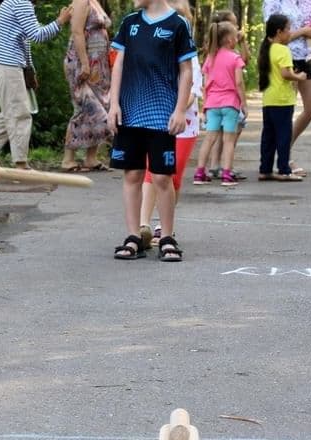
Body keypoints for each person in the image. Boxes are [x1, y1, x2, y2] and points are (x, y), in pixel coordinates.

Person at [108, 0, 195, 262]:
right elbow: (119, 64)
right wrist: (113, 104)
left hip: (161, 116)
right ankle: (134, 235)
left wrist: (180, 110)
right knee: (132, 174)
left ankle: (167, 237)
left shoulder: (178, 24)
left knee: (161, 177)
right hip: (130, 112)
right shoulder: (130, 22)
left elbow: (186, 70)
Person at [0, 0, 72, 170]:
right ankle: (20, 164)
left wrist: (29, 69)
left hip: (3, 63)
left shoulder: (16, 2)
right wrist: (60, 21)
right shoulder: (21, 3)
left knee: (9, 113)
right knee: (20, 114)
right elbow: (37, 35)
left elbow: (24, 40)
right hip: (7, 65)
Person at [139, 0, 201, 249]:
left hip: (184, 125)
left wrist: (174, 111)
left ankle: (165, 228)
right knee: (150, 173)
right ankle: (142, 227)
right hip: (153, 122)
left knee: (171, 178)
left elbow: (192, 92)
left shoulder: (190, 56)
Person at [263, 0, 311, 177]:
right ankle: (285, 160)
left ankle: (285, 150)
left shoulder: (297, 2)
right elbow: (273, 36)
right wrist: (303, 31)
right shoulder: (272, 3)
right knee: (286, 111)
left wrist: (310, 31)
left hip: (304, 56)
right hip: (286, 58)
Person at [192, 21, 247, 187]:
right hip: (230, 104)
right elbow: (238, 82)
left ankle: (200, 173)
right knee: (229, 140)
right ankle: (227, 174)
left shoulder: (210, 58)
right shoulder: (235, 58)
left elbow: (206, 84)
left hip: (212, 104)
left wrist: (205, 105)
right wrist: (243, 103)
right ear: (230, 40)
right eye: (236, 36)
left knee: (209, 139)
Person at [60, 0, 112, 172]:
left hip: (100, 66)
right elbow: (77, 32)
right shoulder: (81, 1)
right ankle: (68, 159)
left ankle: (91, 158)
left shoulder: (94, 2)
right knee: (84, 108)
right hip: (83, 63)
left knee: (102, 104)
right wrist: (84, 63)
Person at [203, 10, 251, 181]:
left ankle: (218, 166)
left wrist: (243, 42)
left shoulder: (225, 47)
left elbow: (246, 59)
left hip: (215, 100)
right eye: (234, 24)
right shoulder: (223, 47)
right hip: (230, 97)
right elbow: (239, 76)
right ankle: (222, 167)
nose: (237, 27)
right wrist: (243, 102)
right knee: (228, 134)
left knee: (220, 133)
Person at [258, 15, 307, 182]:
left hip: (269, 99)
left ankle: (265, 169)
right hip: (283, 100)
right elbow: (286, 74)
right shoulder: (283, 50)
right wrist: (300, 76)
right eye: (288, 29)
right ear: (279, 32)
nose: (290, 32)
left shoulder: (267, 48)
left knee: (268, 137)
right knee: (284, 136)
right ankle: (284, 170)